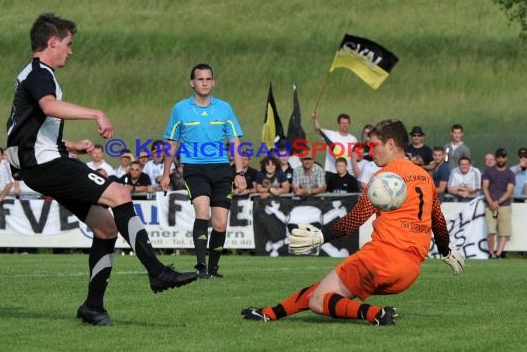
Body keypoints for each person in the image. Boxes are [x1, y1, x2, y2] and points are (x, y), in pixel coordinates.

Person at [5, 13, 197, 326]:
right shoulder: (40, 72)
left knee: (106, 228)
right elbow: (49, 107)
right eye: (68, 44)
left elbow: (27, 131)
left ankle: (93, 307)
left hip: (42, 162)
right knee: (120, 192)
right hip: (43, 164)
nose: (71, 51)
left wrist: (68, 146)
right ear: (53, 42)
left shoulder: (32, 74)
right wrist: (97, 113)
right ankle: (157, 272)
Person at [241, 119, 465, 325]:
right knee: (326, 290)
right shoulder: (425, 176)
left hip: (381, 258)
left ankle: (375, 314)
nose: (370, 150)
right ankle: (269, 313)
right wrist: (445, 250)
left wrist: (322, 236)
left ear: (390, 144)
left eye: (374, 144)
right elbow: (437, 218)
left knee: (318, 300)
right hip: (409, 271)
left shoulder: (384, 179)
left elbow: (355, 219)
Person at [160, 63, 247, 279]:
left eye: (208, 79)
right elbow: (172, 142)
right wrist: (165, 173)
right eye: (200, 79)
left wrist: (239, 172)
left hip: (221, 170)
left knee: (220, 223)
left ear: (213, 82)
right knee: (202, 212)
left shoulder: (225, 108)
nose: (205, 83)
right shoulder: (180, 109)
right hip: (195, 169)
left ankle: (214, 268)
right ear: (192, 82)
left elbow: (235, 140)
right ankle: (200, 267)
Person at [482, 148, 515, 259]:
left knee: (504, 232)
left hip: (504, 206)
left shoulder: (510, 173)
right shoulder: (488, 171)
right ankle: (491, 253)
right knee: (491, 231)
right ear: (496, 158)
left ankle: (498, 253)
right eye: (499, 157)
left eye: (503, 157)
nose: (501, 159)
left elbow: (509, 191)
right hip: (490, 206)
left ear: (506, 158)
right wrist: (491, 202)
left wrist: (498, 201)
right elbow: (485, 187)